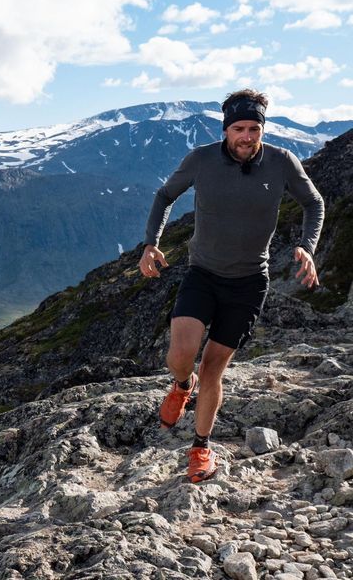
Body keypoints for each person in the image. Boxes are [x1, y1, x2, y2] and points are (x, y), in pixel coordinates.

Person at [138, 89, 324, 483]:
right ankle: (181, 385)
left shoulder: (281, 162)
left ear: (262, 129)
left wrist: (307, 248)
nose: (247, 136)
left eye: (254, 128)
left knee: (213, 369)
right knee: (181, 354)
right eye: (239, 128)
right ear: (225, 130)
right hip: (203, 273)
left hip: (249, 284)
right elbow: (165, 195)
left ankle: (201, 448)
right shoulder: (201, 160)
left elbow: (314, 203)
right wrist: (151, 243)